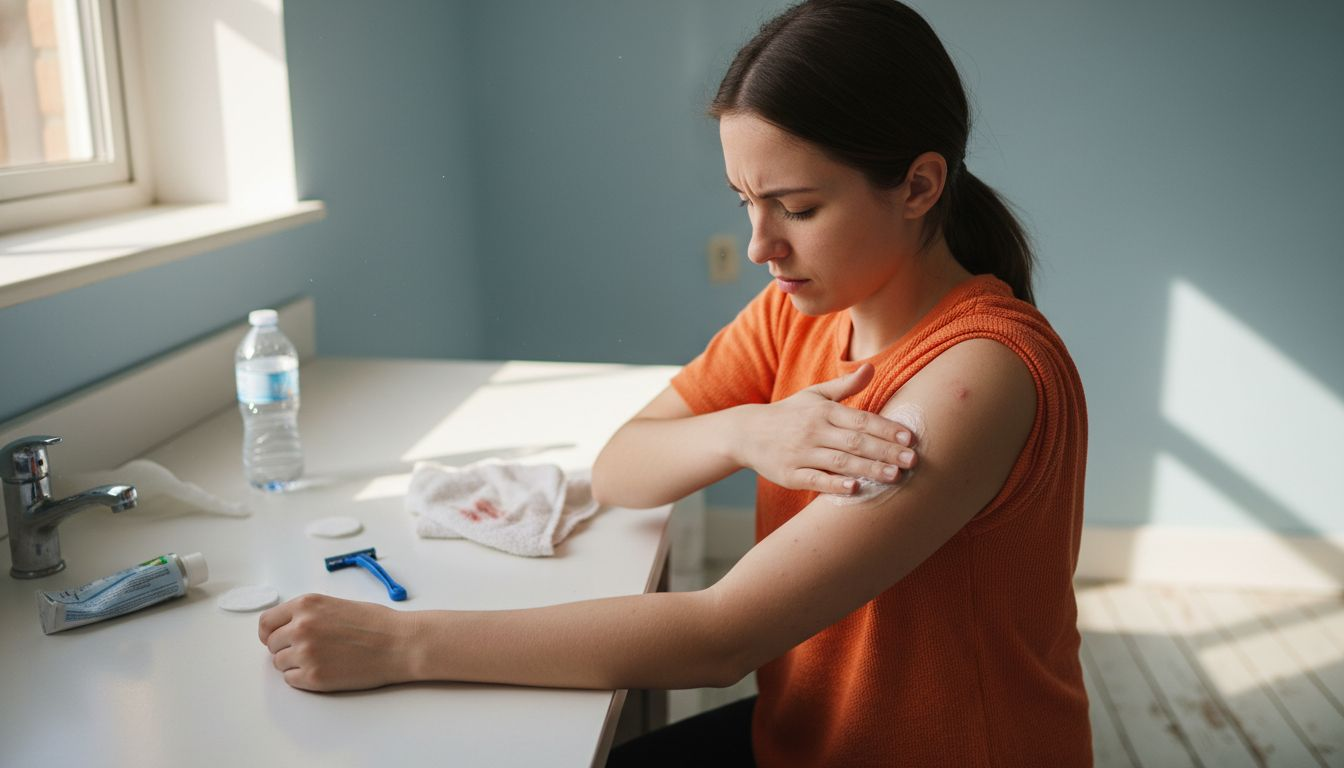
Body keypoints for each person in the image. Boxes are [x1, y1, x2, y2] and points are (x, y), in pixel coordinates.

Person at [257, 1, 1091, 765]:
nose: (762, 246)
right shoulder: (792, 314)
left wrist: (402, 646)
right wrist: (744, 431)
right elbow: (622, 469)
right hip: (803, 739)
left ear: (919, 185)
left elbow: (721, 638)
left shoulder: (978, 374)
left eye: (796, 208)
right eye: (745, 202)